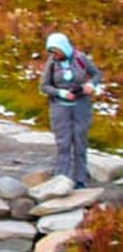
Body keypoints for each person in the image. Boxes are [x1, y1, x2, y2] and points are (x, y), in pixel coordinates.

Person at [40, 32, 102, 187]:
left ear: (64, 48)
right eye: (51, 51)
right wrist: (61, 93)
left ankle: (81, 179)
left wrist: (90, 85)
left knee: (80, 142)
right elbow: (44, 86)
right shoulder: (52, 63)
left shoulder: (81, 58)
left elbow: (96, 74)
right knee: (64, 144)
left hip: (81, 106)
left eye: (56, 51)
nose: (54, 54)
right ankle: (63, 179)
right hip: (60, 108)